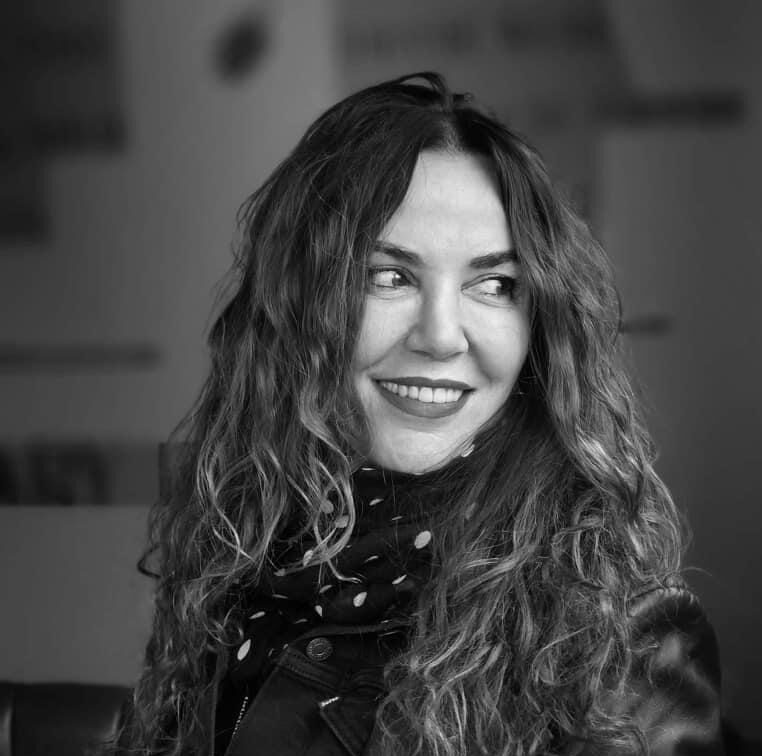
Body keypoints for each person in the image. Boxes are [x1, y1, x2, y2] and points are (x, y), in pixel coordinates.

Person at [112, 72, 724, 755]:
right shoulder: (241, 547)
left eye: (495, 284)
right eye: (390, 276)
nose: (440, 336)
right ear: (300, 303)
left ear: (540, 324)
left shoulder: (621, 633)